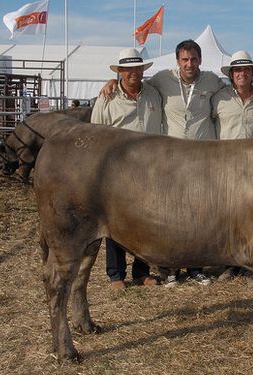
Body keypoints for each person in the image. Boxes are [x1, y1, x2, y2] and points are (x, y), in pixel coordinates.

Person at [100, 40, 225, 286]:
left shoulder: (211, 82)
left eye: (193, 59)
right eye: (184, 60)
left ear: (200, 60)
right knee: (122, 218)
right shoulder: (159, 81)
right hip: (157, 164)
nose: (189, 64)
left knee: (190, 217)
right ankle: (122, 273)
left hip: (194, 163)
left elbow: (234, 90)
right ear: (177, 61)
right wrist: (112, 83)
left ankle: (184, 268)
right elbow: (98, 130)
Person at [91, 48, 163, 289]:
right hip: (117, 169)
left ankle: (142, 271)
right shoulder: (107, 97)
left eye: (137, 68)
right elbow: (96, 134)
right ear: (120, 72)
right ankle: (115, 274)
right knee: (114, 222)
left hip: (149, 168)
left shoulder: (154, 94)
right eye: (128, 69)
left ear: (143, 70)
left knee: (145, 220)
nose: (134, 73)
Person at [211, 50, 253, 283]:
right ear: (231, 74)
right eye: (237, 70)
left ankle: (250, 264)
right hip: (224, 168)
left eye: (246, 69)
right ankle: (229, 264)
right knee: (226, 218)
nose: (242, 74)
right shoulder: (219, 98)